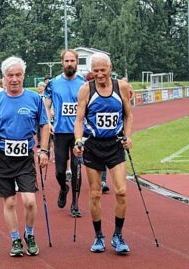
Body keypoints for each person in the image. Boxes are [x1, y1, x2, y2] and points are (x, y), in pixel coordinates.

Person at [0, 56, 50, 257]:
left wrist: (43, 150)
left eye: (18, 75)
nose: (14, 79)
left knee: (29, 201)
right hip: (1, 155)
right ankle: (15, 239)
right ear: (3, 78)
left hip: (25, 156)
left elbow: (44, 125)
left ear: (24, 76)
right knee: (9, 202)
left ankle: (29, 234)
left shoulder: (34, 99)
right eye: (10, 75)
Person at [73, 52, 133, 254]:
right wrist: (78, 140)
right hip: (93, 146)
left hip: (115, 145)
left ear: (110, 67)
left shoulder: (121, 87)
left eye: (103, 70)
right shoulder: (85, 90)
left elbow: (128, 114)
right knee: (95, 193)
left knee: (122, 191)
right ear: (91, 71)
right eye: (95, 70)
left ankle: (118, 235)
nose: (99, 74)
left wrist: (128, 136)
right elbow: (79, 120)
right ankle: (99, 236)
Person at [44, 49, 85, 217]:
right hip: (60, 132)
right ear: (62, 63)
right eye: (66, 61)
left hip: (78, 134)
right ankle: (63, 188)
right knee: (60, 171)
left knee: (77, 168)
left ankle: (75, 204)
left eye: (72, 61)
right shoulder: (53, 83)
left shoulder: (84, 83)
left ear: (76, 62)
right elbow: (46, 105)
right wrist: (48, 122)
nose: (69, 64)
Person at [87, 72, 110, 193]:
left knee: (103, 158)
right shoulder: (86, 93)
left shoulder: (107, 94)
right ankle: (97, 181)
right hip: (90, 136)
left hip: (106, 137)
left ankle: (103, 181)